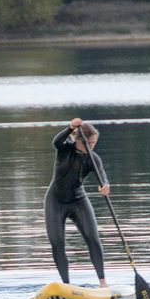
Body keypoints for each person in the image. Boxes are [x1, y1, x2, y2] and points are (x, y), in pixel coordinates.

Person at [45, 118, 111, 287]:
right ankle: (66, 285)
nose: (91, 147)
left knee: (93, 239)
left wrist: (105, 186)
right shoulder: (64, 149)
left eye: (94, 143)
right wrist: (70, 128)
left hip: (78, 201)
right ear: (78, 140)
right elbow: (56, 141)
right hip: (55, 202)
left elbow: (102, 177)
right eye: (88, 143)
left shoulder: (93, 159)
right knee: (57, 243)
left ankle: (102, 282)